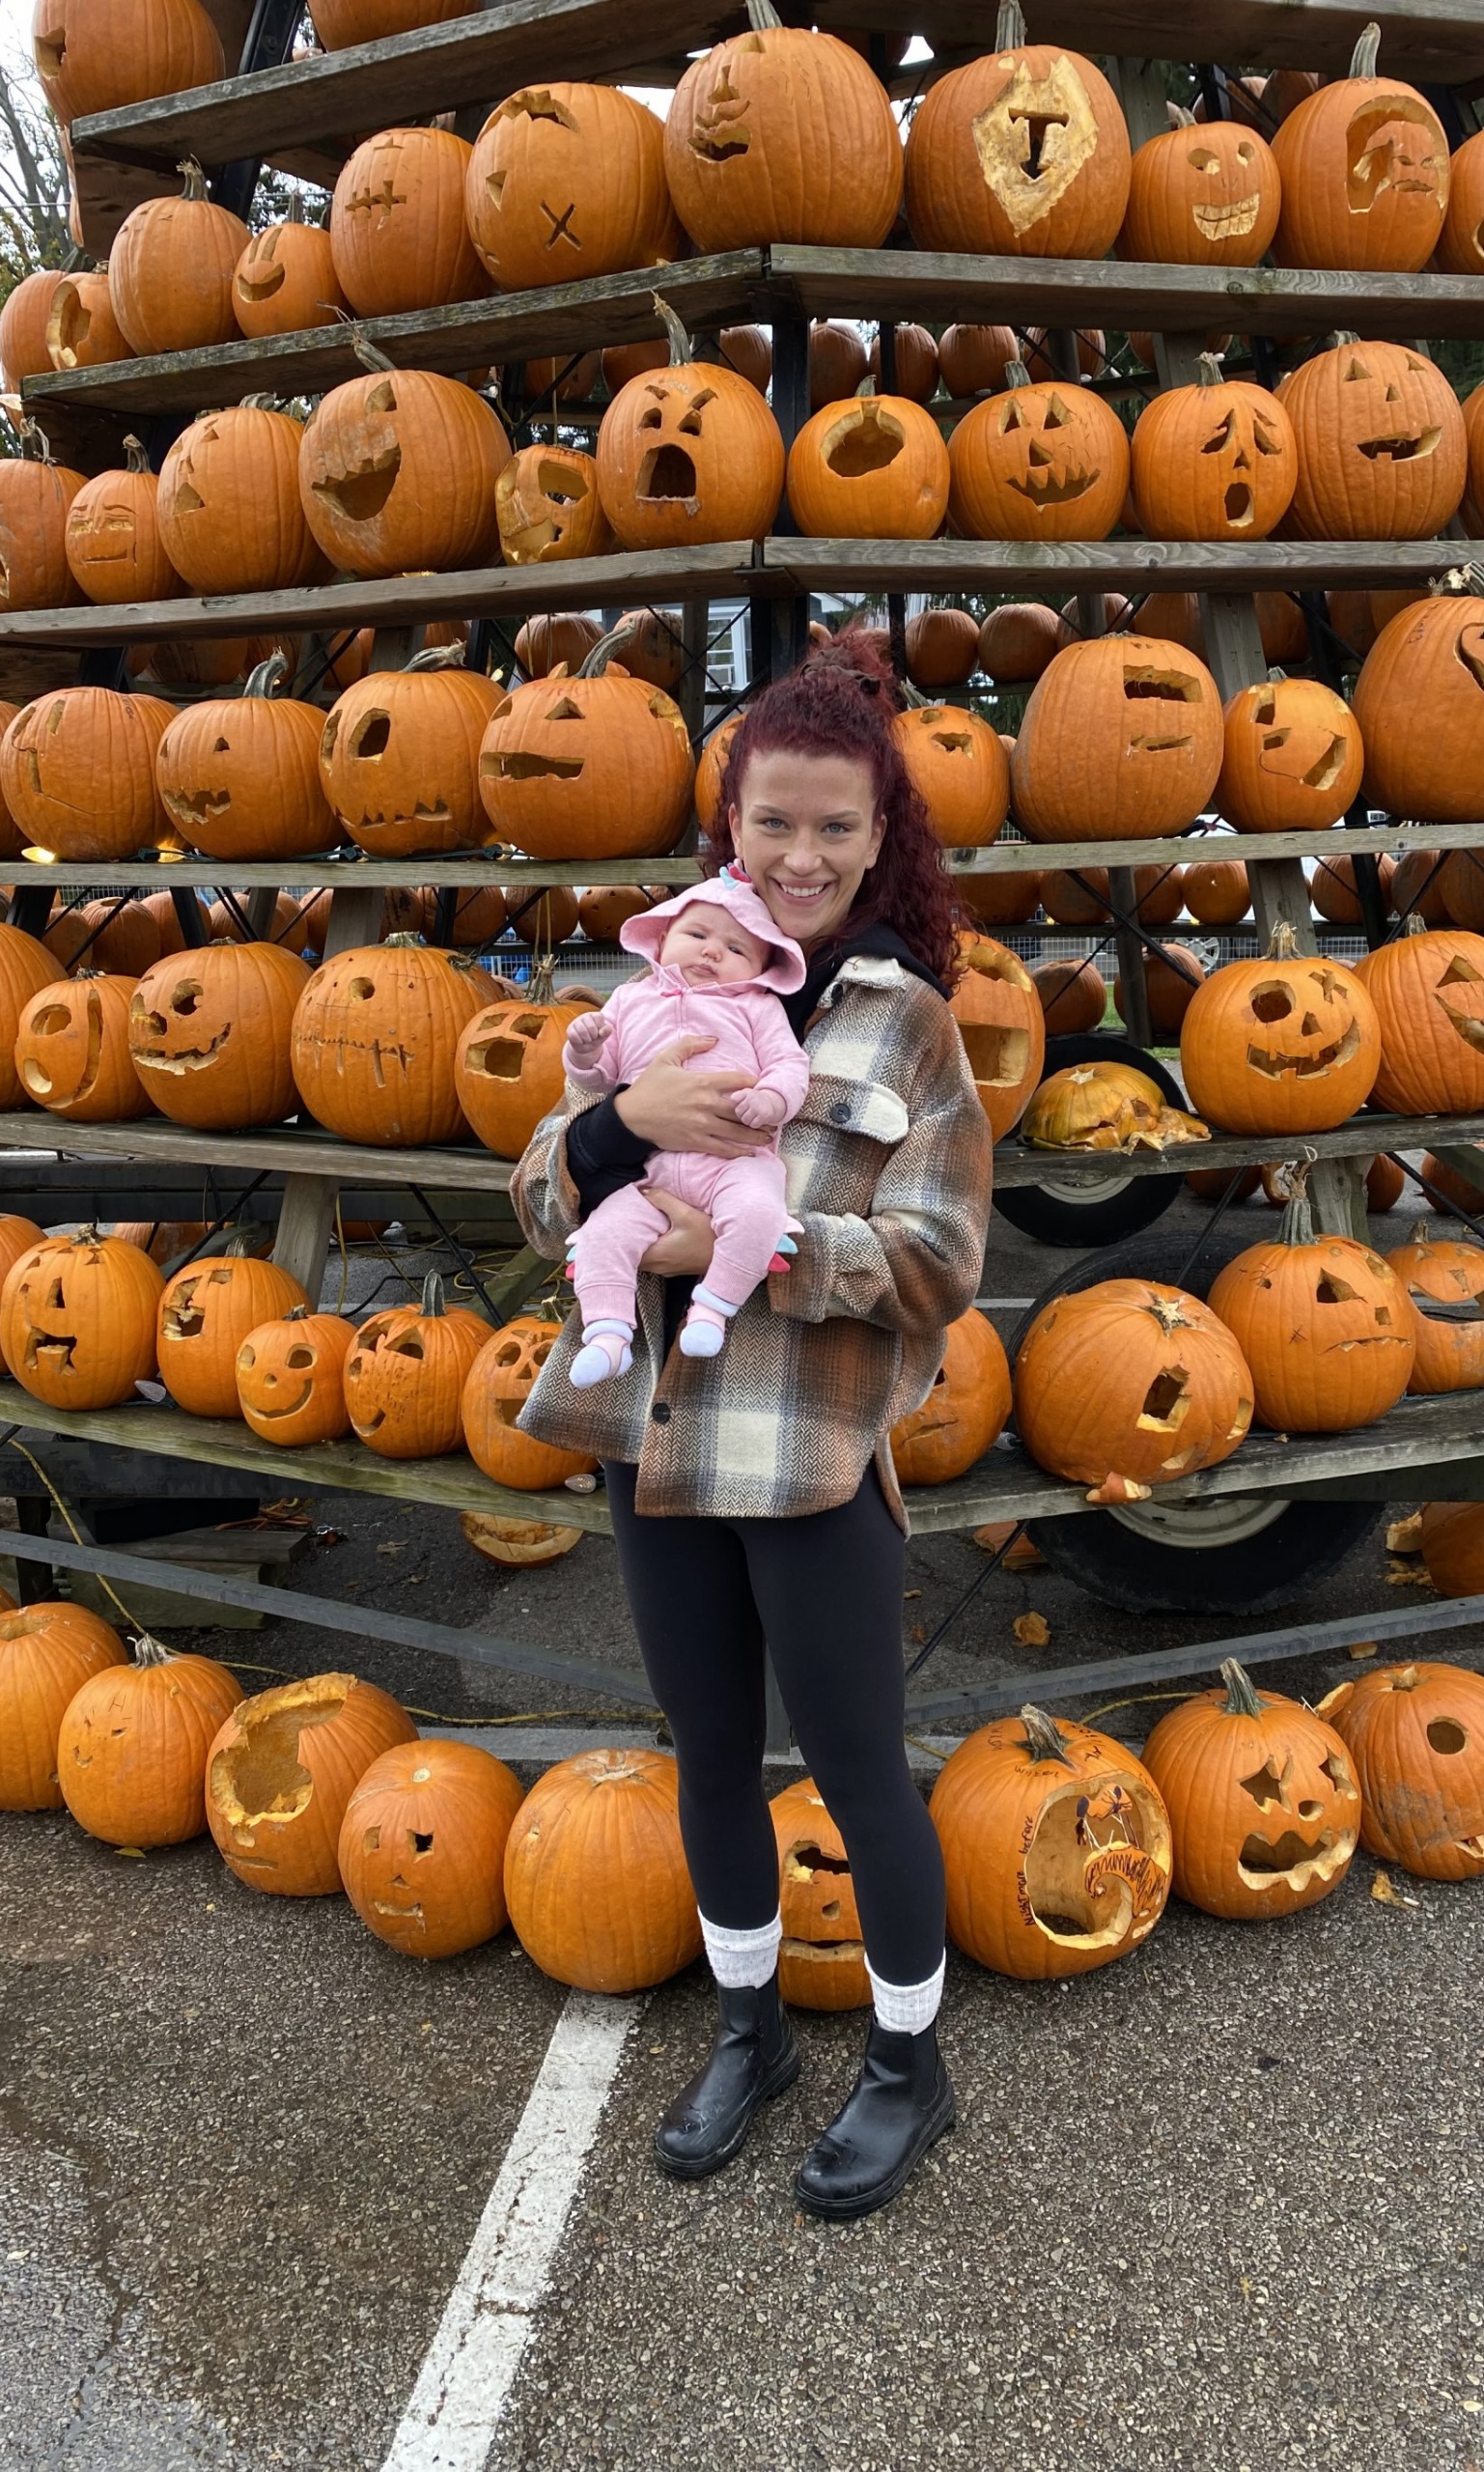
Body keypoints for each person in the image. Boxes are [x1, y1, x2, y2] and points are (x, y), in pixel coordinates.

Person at [512, 631, 993, 2222]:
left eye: (832, 829)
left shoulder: (903, 1028)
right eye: (768, 824)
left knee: (861, 1773)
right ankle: (751, 2032)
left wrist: (749, 1247)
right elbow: (532, 1196)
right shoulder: (662, 989)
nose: (795, 857)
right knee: (709, 1760)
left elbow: (938, 1266)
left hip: (806, 1461)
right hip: (656, 1451)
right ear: (733, 826)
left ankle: (911, 2067)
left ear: (879, 838)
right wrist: (609, 1133)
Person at [560, 880, 810, 1382]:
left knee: (759, 1211)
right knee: (605, 1230)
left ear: (763, 970)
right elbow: (598, 1076)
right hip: (651, 1174)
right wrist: (583, 1052)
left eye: (737, 948)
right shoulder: (630, 999)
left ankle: (713, 1308)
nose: (713, 950)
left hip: (736, 1164)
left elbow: (790, 1063)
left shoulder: (757, 1006)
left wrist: (771, 1100)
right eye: (696, 934)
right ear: (663, 937)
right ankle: (607, 1333)